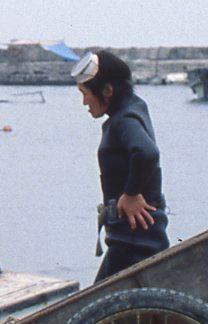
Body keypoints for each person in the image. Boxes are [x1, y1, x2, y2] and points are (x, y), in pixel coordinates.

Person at [74, 51, 169, 283]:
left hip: (134, 236)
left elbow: (147, 153)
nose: (84, 102)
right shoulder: (134, 107)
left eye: (85, 93)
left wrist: (131, 193)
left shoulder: (124, 120)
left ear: (107, 90)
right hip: (132, 234)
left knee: (95, 309)